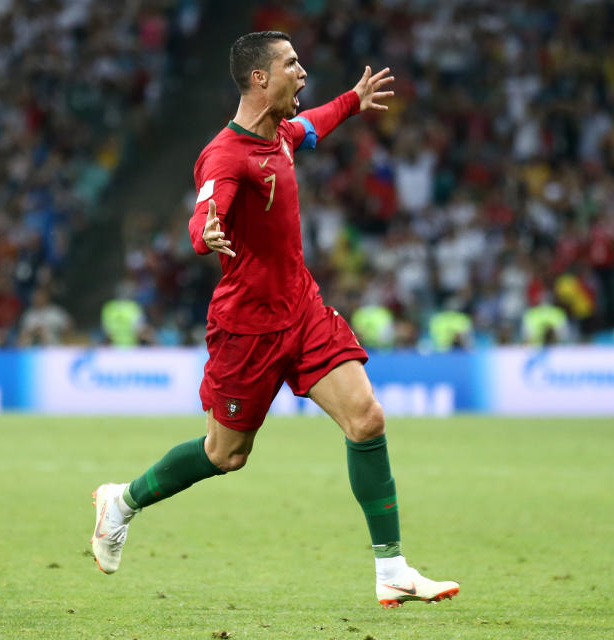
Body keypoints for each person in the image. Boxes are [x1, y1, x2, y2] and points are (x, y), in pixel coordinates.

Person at [91, 31, 458, 609]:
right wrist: (204, 232)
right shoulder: (225, 155)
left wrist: (352, 101)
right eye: (291, 64)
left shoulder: (282, 136)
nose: (302, 71)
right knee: (225, 455)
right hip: (248, 329)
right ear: (260, 78)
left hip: (303, 308)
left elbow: (312, 124)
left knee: (366, 419)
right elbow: (205, 208)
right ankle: (122, 501)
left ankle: (392, 569)